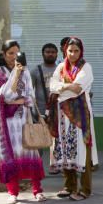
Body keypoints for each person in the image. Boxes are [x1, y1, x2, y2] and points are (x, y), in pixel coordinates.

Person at [0, 40, 45, 203]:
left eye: (17, 53)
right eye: (10, 53)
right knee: (10, 154)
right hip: (7, 122)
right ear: (3, 54)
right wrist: (16, 73)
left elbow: (29, 95)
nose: (14, 56)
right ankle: (13, 192)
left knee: (31, 151)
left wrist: (22, 100)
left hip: (24, 119)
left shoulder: (26, 71)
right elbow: (6, 95)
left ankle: (37, 190)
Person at [50, 37, 98, 201]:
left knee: (83, 150)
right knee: (64, 149)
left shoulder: (86, 67)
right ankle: (69, 186)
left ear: (81, 51)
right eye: (70, 51)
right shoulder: (61, 66)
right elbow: (52, 86)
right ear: (65, 51)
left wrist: (62, 87)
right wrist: (66, 86)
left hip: (80, 115)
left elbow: (78, 89)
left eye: (76, 51)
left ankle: (85, 189)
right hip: (62, 116)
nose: (73, 54)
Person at [32, 43, 60, 173]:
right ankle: (37, 168)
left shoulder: (61, 69)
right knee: (39, 141)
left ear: (57, 54)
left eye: (53, 52)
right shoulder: (36, 70)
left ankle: (54, 166)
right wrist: (33, 110)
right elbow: (29, 91)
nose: (50, 54)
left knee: (56, 138)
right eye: (47, 52)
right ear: (43, 53)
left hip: (58, 109)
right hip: (40, 111)